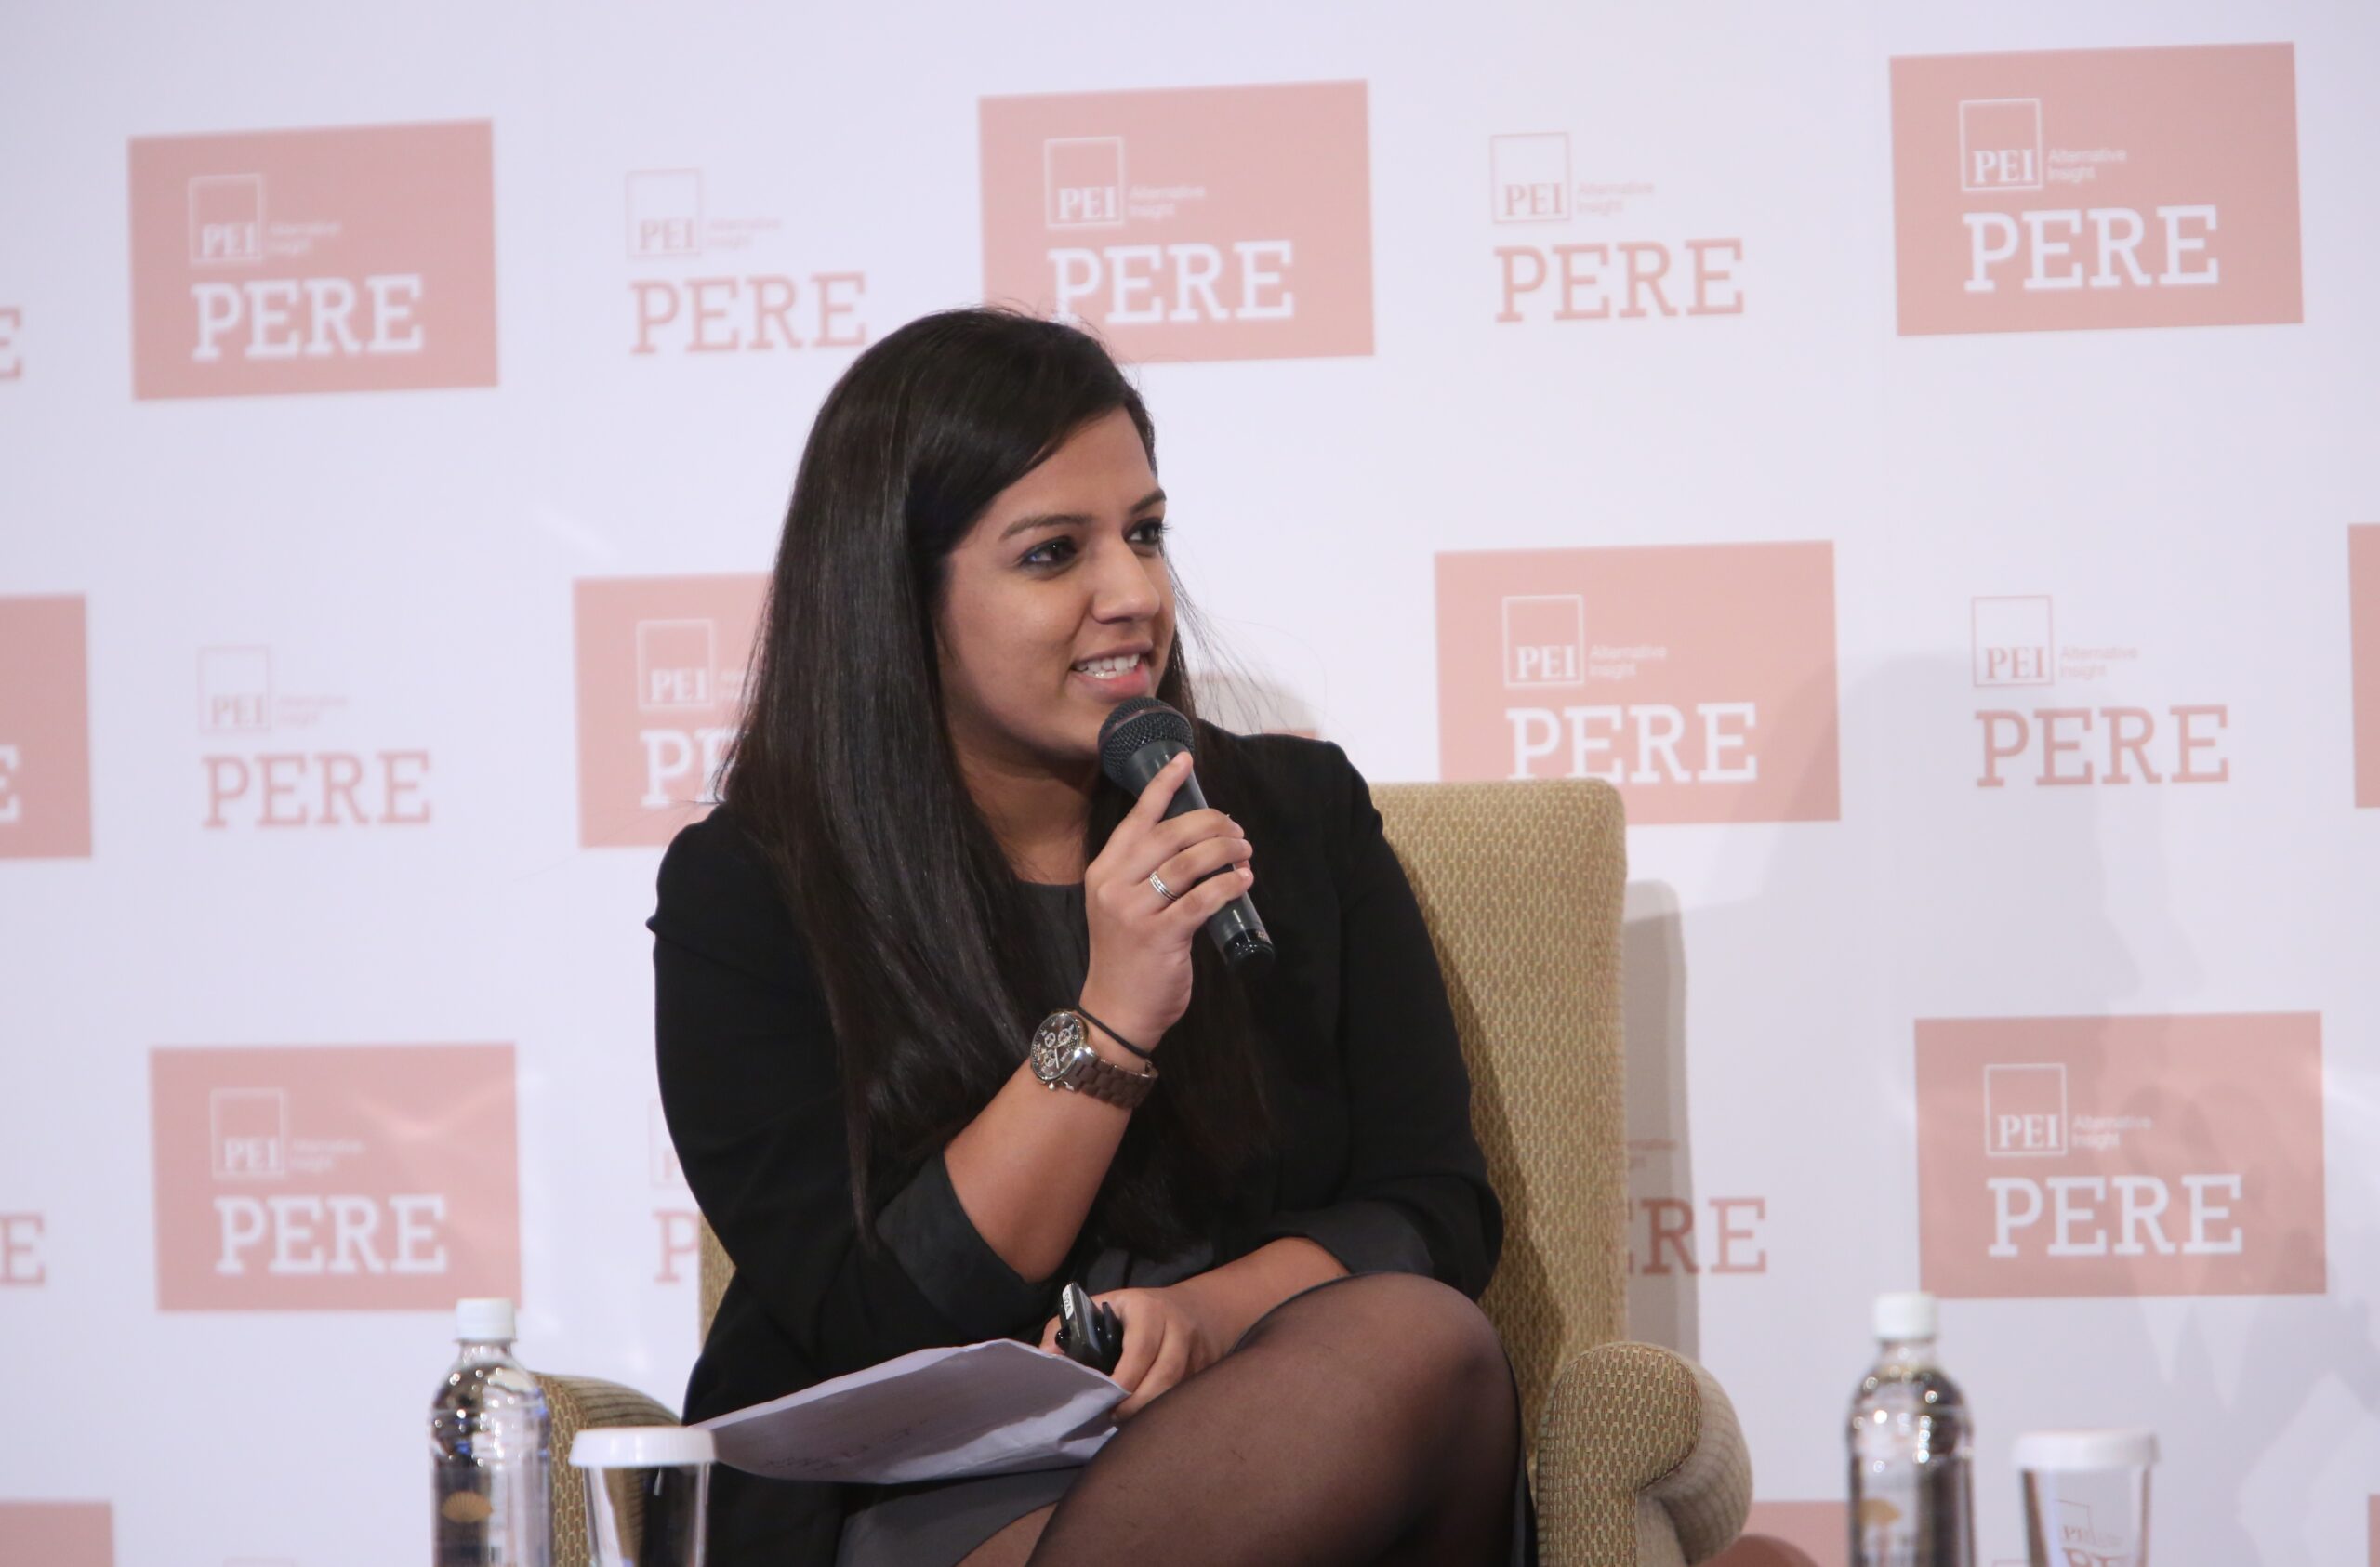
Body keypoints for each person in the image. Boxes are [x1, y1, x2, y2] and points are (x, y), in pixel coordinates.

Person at [652, 307, 1532, 1565]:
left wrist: (1211, 1317)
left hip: (1275, 1426)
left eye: (1146, 534)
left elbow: (1431, 1209)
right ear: (900, 593)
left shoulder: (1293, 820)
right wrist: (1111, 1020)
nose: (1132, 594)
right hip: (922, 1496)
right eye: (1054, 553)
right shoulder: (757, 888)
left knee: (1415, 1340)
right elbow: (872, 1318)